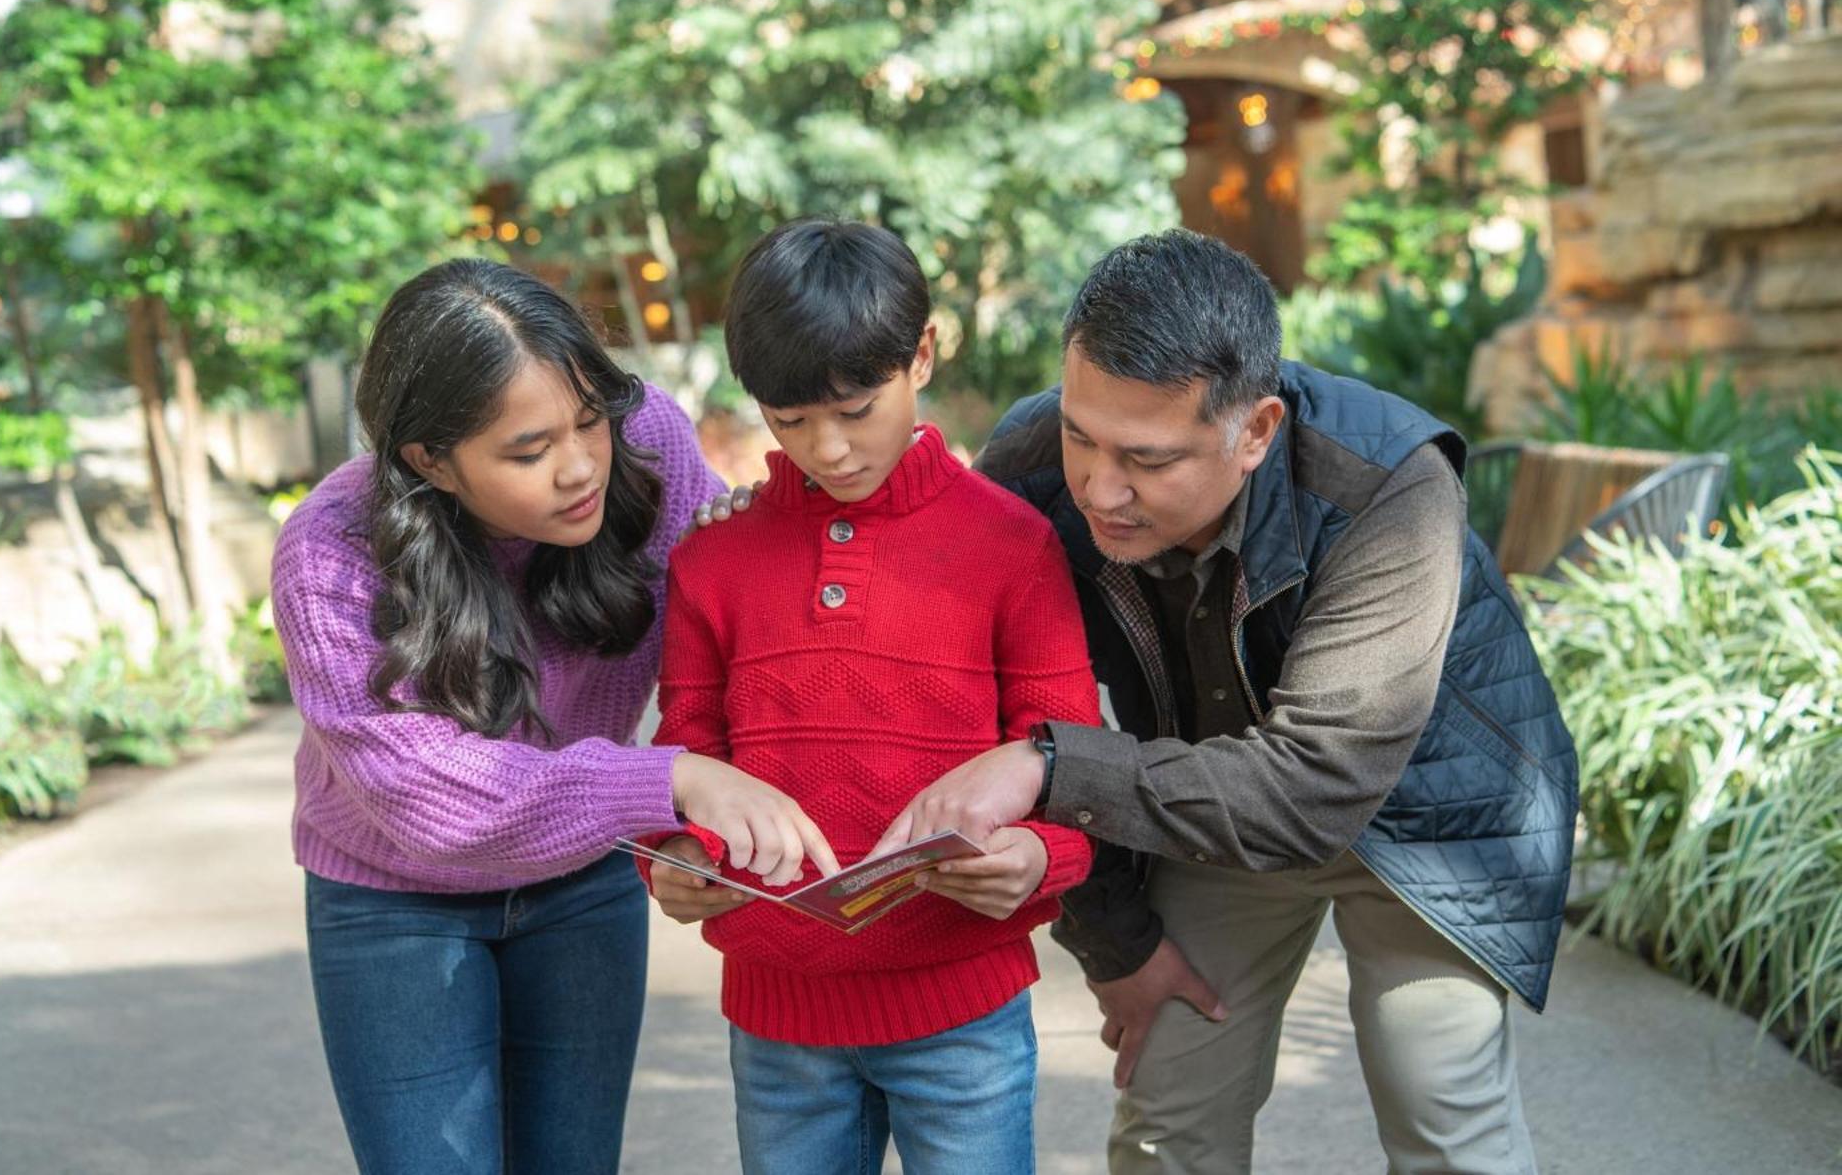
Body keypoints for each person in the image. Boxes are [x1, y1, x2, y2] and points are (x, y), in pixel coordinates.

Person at [872, 229, 1578, 1174]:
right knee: (1168, 1115)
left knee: (1441, 1107)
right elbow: (977, 705)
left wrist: (1049, 764)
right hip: (1215, 796)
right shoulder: (1035, 467)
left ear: (1256, 431)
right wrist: (1117, 941)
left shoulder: (1390, 488)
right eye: (1083, 435)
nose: (1098, 486)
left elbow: (1314, 786)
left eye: (1149, 459)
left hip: (1425, 816)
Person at [271, 258, 838, 1175]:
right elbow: (424, 794)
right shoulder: (331, 549)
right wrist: (669, 781)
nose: (580, 467)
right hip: (393, 905)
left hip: (582, 884)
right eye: (529, 451)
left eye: (588, 422)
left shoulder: (644, 443)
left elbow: (726, 648)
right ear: (428, 459)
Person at [640, 219, 1100, 1175]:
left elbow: (1072, 764)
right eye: (791, 418)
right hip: (778, 1020)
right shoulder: (713, 558)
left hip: (963, 1010)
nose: (830, 449)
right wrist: (676, 858)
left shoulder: (1013, 546)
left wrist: (1038, 855)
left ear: (921, 353)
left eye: (855, 407)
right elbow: (687, 754)